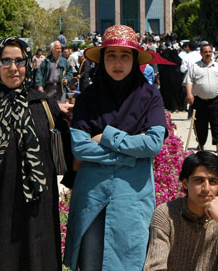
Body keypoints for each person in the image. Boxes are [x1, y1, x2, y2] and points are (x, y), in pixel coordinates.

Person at [63, 25, 167, 271]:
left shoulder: (149, 96)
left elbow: (153, 144)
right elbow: (80, 148)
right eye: (111, 55)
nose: (117, 62)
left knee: (131, 260)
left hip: (131, 198)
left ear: (134, 60)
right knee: (92, 261)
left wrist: (106, 136)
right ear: (102, 59)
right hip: (94, 198)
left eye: (125, 55)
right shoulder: (89, 97)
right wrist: (131, 154)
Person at [0, 37, 74, 270]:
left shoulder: (44, 106)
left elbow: (67, 156)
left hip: (38, 214)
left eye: (19, 61)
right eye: (5, 60)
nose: (12, 68)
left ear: (28, 64)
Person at [143, 151, 218, 271]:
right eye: (199, 180)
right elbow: (155, 267)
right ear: (185, 183)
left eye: (213, 182)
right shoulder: (166, 214)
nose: (206, 188)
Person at [185, 44, 218, 149]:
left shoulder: (217, 66)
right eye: (205, 52)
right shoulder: (195, 66)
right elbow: (189, 81)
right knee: (200, 124)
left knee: (216, 123)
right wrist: (189, 94)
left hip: (216, 99)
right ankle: (201, 143)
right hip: (199, 100)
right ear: (201, 53)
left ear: (212, 53)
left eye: (209, 52)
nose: (208, 54)